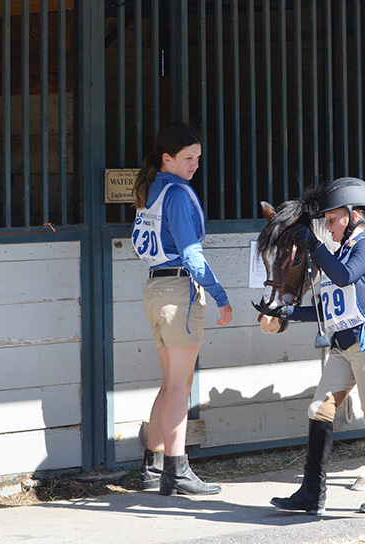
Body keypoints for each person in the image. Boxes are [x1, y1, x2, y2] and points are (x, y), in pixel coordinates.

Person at [256, 177, 365, 515]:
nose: (327, 227)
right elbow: (327, 307)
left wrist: (313, 246)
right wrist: (286, 311)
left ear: (354, 215)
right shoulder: (337, 251)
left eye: (332, 220)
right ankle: (311, 494)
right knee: (318, 410)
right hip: (342, 347)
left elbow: (345, 277)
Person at [131, 121, 233, 496]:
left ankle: (153, 467)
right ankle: (178, 469)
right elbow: (192, 254)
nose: (195, 165)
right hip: (178, 290)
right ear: (167, 158)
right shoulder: (177, 193)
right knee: (180, 386)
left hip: (155, 287)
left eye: (198, 158)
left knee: (169, 383)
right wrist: (220, 294)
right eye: (188, 158)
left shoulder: (152, 190)